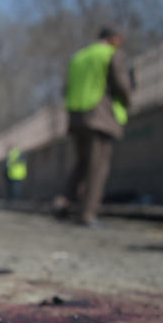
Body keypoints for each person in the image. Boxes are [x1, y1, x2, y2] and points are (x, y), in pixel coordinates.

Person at [57, 26, 132, 227]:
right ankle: (88, 213)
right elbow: (121, 84)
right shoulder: (110, 54)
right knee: (97, 166)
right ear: (113, 38)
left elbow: (65, 89)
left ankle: (63, 201)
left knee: (82, 162)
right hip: (98, 116)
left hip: (75, 116)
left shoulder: (78, 57)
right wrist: (128, 101)